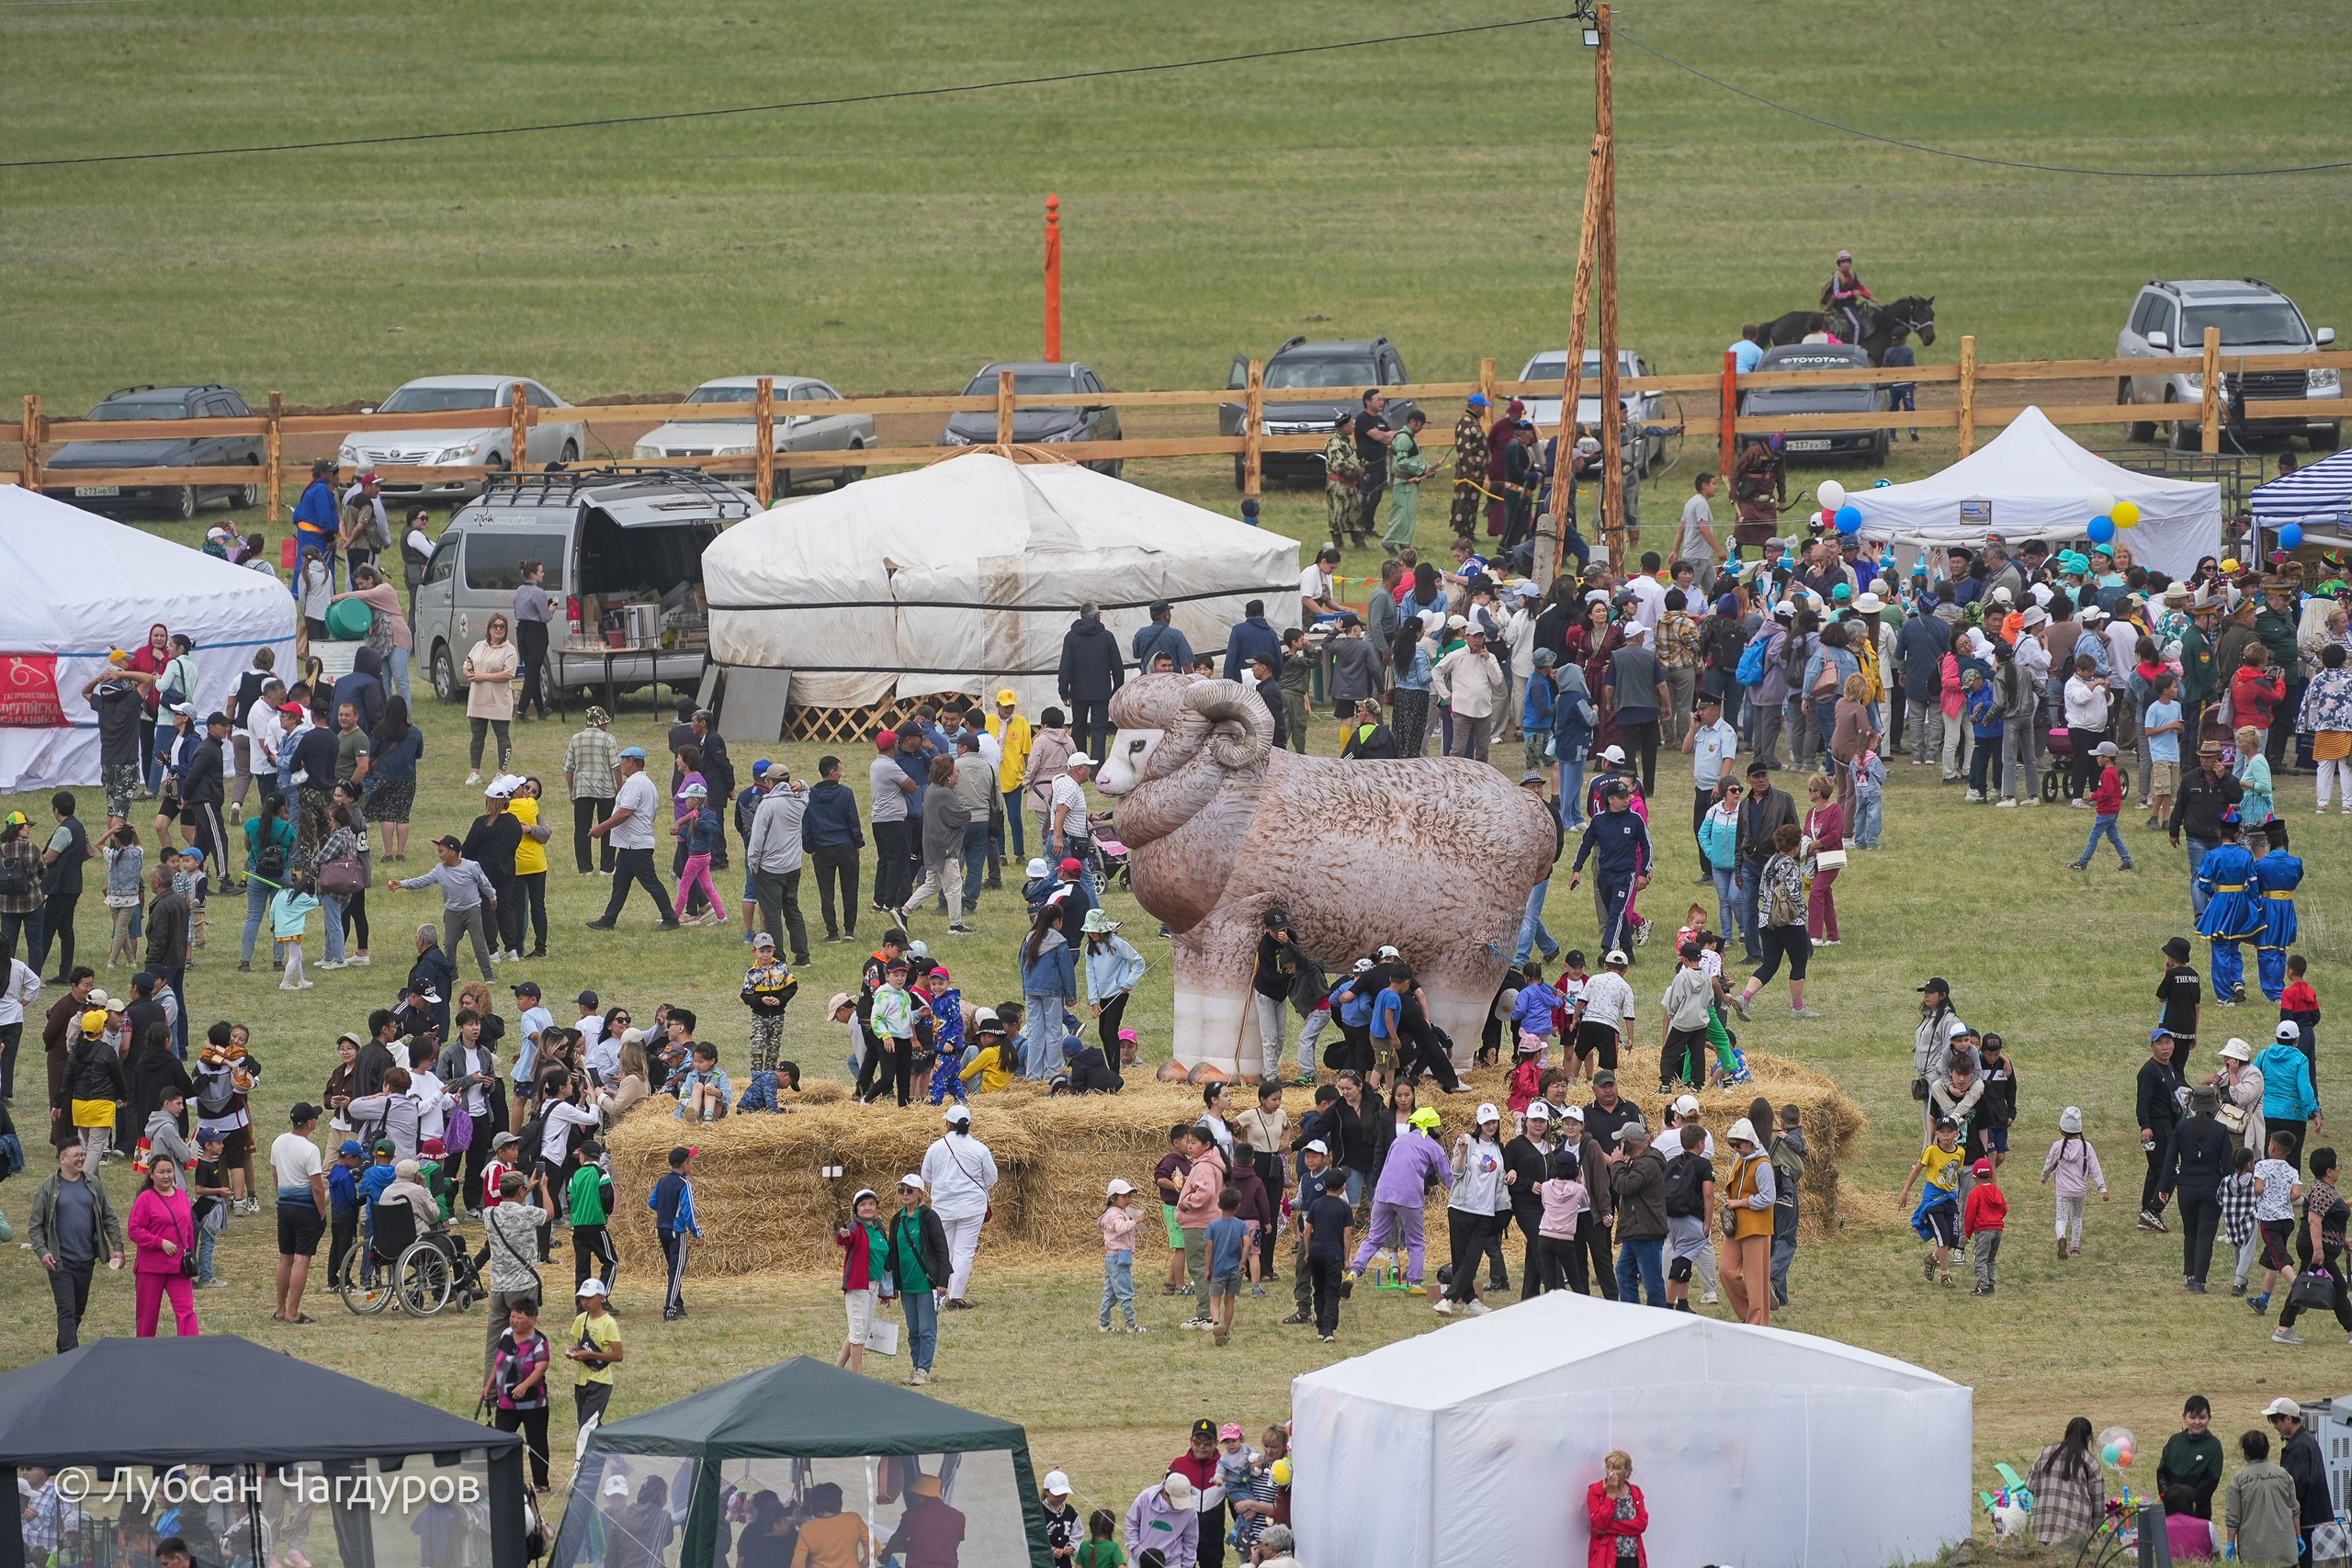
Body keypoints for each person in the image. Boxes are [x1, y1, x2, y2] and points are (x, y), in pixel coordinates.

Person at [29, 1142, 124, 1353]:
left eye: (83, 1154)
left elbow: (109, 1217)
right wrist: (43, 1252)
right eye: (76, 1155)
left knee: (76, 1312)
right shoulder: (47, 1188)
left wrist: (117, 1246)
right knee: (66, 1309)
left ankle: (62, 1353)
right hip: (59, 1262)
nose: (81, 1158)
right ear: (62, 1159)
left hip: (86, 1260)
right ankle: (71, 1358)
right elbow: (35, 1227)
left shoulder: (94, 1184)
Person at [587, 748, 679, 931]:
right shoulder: (647, 783)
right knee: (620, 883)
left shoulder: (634, 784)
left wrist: (601, 828)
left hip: (634, 843)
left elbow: (625, 812)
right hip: (631, 843)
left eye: (622, 761)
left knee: (650, 882)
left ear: (630, 761)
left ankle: (670, 918)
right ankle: (609, 919)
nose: (620, 765)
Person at [2273, 1145, 2352, 1345]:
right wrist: (2318, 1250)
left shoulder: (2325, 1189)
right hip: (2316, 1247)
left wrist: (2342, 1241)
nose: (2339, 1168)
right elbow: (2314, 1221)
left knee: (2301, 1285)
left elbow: (2328, 1222)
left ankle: (2284, 1327)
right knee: (2339, 1287)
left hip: (2320, 1246)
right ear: (2329, 1171)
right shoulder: (2320, 1190)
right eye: (2337, 1165)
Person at [922, 1103, 998, 1309]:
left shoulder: (935, 1148)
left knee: (941, 1250)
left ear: (948, 1123)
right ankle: (956, 1297)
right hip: (972, 1206)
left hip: (943, 1207)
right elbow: (991, 1178)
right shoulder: (980, 1149)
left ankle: (936, 1296)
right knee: (964, 1251)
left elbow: (926, 1177)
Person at [880, 1172, 949, 1386]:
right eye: (901, 1190)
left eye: (910, 1190)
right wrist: (888, 1286)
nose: (905, 1194)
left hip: (926, 1283)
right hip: (907, 1284)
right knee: (913, 1329)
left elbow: (941, 1249)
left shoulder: (929, 1217)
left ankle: (923, 1369)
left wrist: (942, 1281)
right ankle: (915, 1366)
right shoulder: (896, 1219)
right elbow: (892, 1252)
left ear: (920, 1194)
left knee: (927, 1328)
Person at [128, 1152, 199, 1337]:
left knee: (187, 1312)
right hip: (151, 1268)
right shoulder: (145, 1199)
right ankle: (145, 1353)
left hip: (179, 1268)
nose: (166, 1176)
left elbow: (189, 1229)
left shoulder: (182, 1196)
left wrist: (190, 1256)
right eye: (161, 1172)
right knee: (147, 1316)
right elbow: (134, 1230)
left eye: (170, 1171)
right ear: (151, 1174)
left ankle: (192, 1350)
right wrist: (160, 1243)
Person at [269, 1102, 329, 1324]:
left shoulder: (278, 1141)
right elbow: (317, 1186)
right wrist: (322, 1212)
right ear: (310, 1123)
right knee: (302, 1260)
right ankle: (294, 1311)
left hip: (284, 1206)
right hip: (305, 1209)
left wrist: (281, 1197)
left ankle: (281, 1308)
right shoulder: (310, 1149)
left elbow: (276, 1175)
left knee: (285, 1258)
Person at [2267, 1396, 2334, 1560]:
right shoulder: (2305, 1440)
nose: (2275, 1426)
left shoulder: (2299, 1446)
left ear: (2288, 1419)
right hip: (2311, 1518)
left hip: (2306, 1521)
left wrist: (2286, 1514)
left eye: (2276, 1421)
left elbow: (2296, 1485)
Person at [2026, 1418, 2109, 1550]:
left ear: (2067, 1432)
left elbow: (2029, 1485)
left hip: (2041, 1529)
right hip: (2074, 1537)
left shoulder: (2046, 1452)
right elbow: (2098, 1507)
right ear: (2088, 1438)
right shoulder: (2091, 1463)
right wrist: (2095, 1534)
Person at [2224, 1427, 2299, 1568]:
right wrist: (2298, 1537)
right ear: (2268, 1449)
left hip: (2254, 1555)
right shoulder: (2283, 1474)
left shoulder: (2239, 1479)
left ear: (2244, 1453)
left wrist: (2230, 1543)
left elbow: (2233, 1518)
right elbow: (2294, 1510)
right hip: (2285, 1551)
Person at [462, 615, 519, 784]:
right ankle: (475, 773)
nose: (498, 630)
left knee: (502, 736)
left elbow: (509, 673)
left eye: (502, 627)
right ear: (489, 628)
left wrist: (484, 676)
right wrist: (468, 672)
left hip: (498, 700)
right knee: (477, 736)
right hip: (478, 698)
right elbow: (468, 663)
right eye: (495, 626)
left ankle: (501, 772)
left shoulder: (509, 650)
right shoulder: (479, 646)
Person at [2159, 1396, 2226, 1523]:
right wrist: (2168, 1497)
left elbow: (2211, 1481)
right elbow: (2162, 1472)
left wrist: (2189, 1502)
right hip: (2170, 1512)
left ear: (2209, 1418)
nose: (2197, 1422)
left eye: (2202, 1417)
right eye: (2192, 1417)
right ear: (2184, 1417)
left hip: (2199, 1513)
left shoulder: (2213, 1446)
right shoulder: (2174, 1441)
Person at [1585, 1451, 1648, 1568]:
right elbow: (1599, 1524)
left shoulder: (1635, 1492)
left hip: (1632, 1556)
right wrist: (1610, 1495)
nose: (1611, 1472)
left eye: (1617, 1468)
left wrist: (1610, 1528)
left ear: (1628, 1471)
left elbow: (1642, 1524)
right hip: (1606, 1556)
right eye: (1608, 1467)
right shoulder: (1596, 1491)